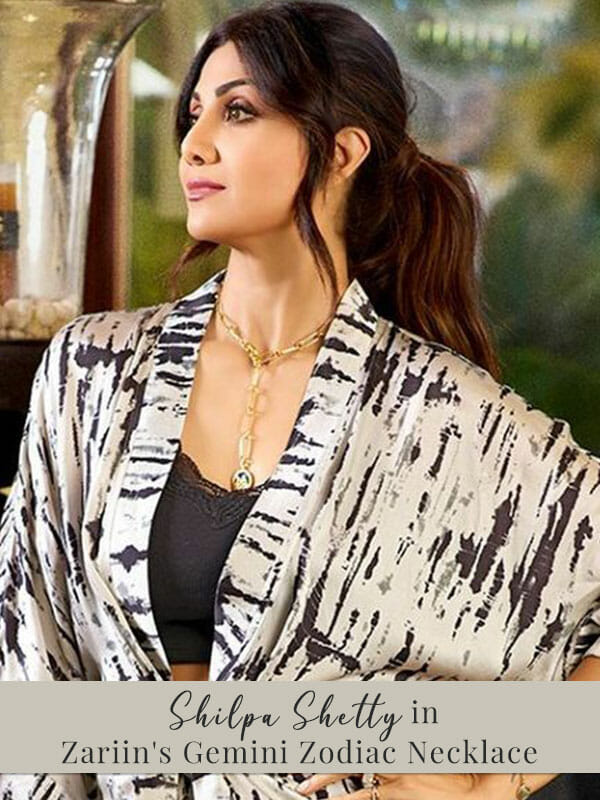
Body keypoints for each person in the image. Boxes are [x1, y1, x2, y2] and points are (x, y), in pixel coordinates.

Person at [0, 1, 598, 798]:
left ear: (343, 151)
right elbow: (30, 665)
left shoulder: (440, 413)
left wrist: (493, 782)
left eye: (238, 111)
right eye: (193, 111)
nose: (194, 142)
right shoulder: (94, 371)